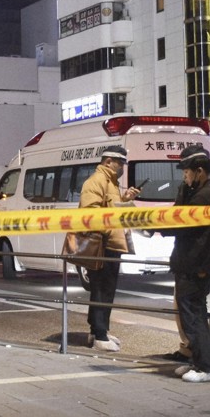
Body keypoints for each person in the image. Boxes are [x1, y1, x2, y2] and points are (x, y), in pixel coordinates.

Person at [168, 145, 210, 383]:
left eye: (187, 172)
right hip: (190, 261)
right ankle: (197, 362)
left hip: (198, 263)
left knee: (194, 315)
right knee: (192, 315)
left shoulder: (209, 194)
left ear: (200, 171)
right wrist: (184, 190)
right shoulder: (196, 191)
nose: (184, 176)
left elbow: (182, 223)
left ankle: (207, 367)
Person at [78, 145, 140, 351]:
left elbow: (111, 208)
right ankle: (99, 334)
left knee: (106, 289)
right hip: (102, 244)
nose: (122, 167)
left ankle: (99, 330)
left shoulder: (110, 182)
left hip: (111, 243)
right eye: (120, 163)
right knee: (101, 289)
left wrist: (126, 200)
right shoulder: (96, 181)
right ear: (108, 162)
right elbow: (91, 213)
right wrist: (109, 230)